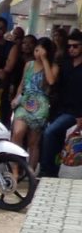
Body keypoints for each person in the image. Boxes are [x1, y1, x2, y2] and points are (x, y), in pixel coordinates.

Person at [11, 35, 56, 176]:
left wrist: (44, 60)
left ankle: (29, 172)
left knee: (33, 142)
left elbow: (51, 81)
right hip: (25, 102)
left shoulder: (53, 66)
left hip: (40, 106)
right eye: (36, 50)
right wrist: (16, 98)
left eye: (41, 51)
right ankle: (15, 168)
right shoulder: (28, 64)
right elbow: (22, 83)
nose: (38, 54)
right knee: (17, 133)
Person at [40, 27, 82, 178]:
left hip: (75, 111)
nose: (71, 49)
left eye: (75, 46)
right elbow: (52, 80)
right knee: (55, 137)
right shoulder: (64, 62)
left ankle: (46, 169)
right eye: (69, 46)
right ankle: (51, 172)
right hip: (59, 107)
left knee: (50, 133)